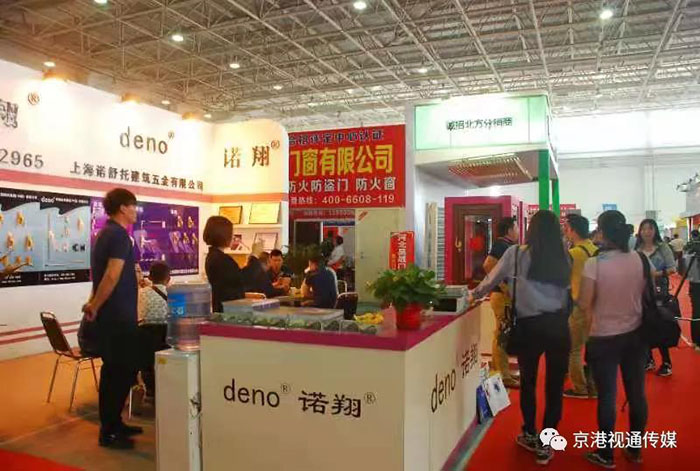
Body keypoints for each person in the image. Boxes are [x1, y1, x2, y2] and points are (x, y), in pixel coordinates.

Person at [470, 210, 571, 466]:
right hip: (559, 326)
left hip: (529, 326)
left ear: (531, 229)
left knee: (528, 382)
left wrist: (471, 296)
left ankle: (529, 432)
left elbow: (489, 281)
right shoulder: (564, 256)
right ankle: (547, 442)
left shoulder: (516, 254)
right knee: (555, 386)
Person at [579, 210, 648, 468]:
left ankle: (606, 453)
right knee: (637, 393)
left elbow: (584, 303)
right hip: (636, 335)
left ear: (603, 233)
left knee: (607, 395)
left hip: (603, 336)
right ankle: (635, 449)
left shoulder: (594, 264)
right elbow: (647, 290)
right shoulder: (640, 259)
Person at [82, 188, 142, 449]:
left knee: (119, 371)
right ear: (122, 208)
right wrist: (95, 305)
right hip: (117, 317)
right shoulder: (118, 236)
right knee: (117, 373)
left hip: (116, 315)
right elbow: (110, 275)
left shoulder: (107, 233)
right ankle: (108, 431)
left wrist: (94, 304)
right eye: (133, 206)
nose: (136, 211)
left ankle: (115, 423)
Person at [562, 214, 599, 399]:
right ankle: (594, 384)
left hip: (578, 306)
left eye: (566, 228)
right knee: (593, 349)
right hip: (597, 306)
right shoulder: (595, 249)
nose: (565, 232)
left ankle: (580, 388)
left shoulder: (574, 253)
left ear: (573, 230)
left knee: (574, 350)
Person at [635, 219, 676, 376]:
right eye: (644, 229)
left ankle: (666, 362)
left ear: (655, 231)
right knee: (643, 325)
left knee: (660, 323)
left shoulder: (662, 247)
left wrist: (654, 274)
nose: (647, 232)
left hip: (659, 290)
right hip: (640, 290)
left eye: (650, 228)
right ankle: (649, 359)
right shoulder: (636, 248)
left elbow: (672, 268)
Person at [482, 217, 520, 389]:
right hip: (502, 297)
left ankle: (500, 371)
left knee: (501, 334)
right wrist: (504, 286)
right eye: (516, 227)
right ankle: (503, 375)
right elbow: (488, 265)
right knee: (503, 335)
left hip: (503, 296)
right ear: (509, 230)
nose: (518, 230)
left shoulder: (507, 246)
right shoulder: (501, 245)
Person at [138, 261, 170, 400]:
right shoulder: (173, 294)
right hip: (166, 340)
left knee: (147, 362)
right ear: (168, 278)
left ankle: (150, 391)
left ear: (149, 277)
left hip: (145, 340)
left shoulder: (141, 294)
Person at [204, 216, 244, 312]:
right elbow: (241, 278)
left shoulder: (213, 256)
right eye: (231, 233)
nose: (233, 236)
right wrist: (254, 257)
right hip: (227, 309)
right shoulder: (220, 259)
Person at [686, 230, 700, 352]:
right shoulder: (691, 249)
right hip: (696, 283)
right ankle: (697, 341)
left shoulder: (689, 248)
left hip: (694, 283)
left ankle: (696, 341)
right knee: (697, 312)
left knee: (696, 312)